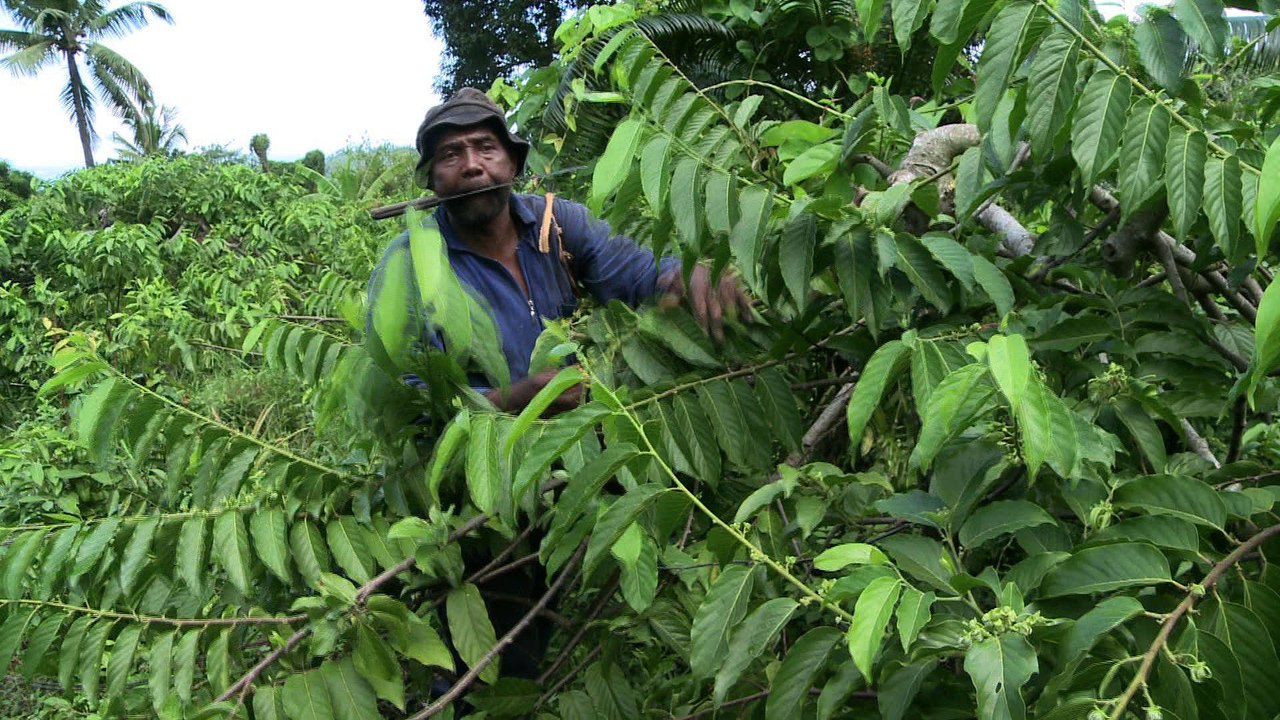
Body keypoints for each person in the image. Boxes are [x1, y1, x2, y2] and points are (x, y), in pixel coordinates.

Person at [366, 87, 752, 413]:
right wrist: (513, 398)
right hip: (493, 465)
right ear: (432, 181)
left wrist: (682, 275)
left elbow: (635, 273)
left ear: (513, 164)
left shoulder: (559, 223)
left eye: (486, 148)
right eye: (450, 154)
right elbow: (410, 394)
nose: (471, 166)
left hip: (592, 433)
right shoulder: (408, 265)